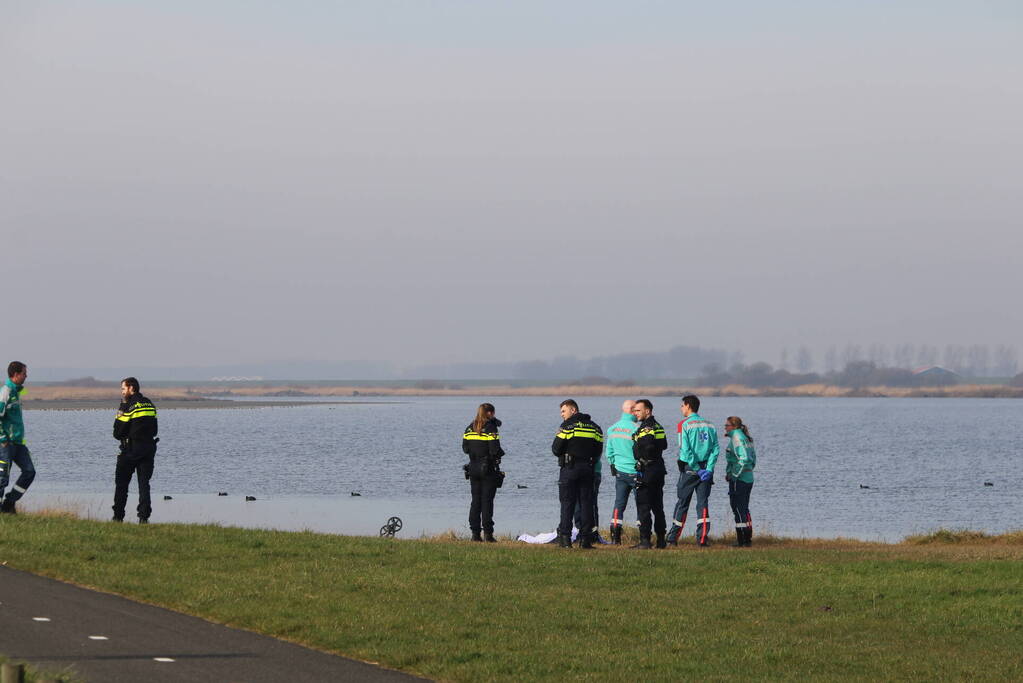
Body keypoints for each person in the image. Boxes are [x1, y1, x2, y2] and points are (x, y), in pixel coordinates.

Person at [666, 394, 720, 547]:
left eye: (682, 405)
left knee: (682, 502)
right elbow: (715, 449)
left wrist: (696, 468)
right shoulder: (710, 425)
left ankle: (672, 539)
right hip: (706, 470)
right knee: (703, 504)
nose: (681, 408)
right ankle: (702, 539)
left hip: (691, 468)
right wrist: (708, 469)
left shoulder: (684, 425)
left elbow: (685, 450)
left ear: (688, 406)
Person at [551, 399, 603, 549]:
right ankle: (585, 540)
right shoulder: (595, 427)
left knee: (567, 503)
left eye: (563, 411)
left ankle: (565, 540)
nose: (562, 415)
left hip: (570, 468)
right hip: (588, 468)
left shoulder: (567, 426)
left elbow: (556, 449)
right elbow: (598, 451)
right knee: (586, 504)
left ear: (573, 410)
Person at [112, 377, 159, 523]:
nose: (122, 392)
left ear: (131, 388)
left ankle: (118, 517)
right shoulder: (149, 404)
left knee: (122, 485)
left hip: (130, 450)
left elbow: (117, 433)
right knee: (144, 485)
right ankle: (143, 518)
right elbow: (155, 429)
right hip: (148, 449)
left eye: (123, 389)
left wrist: (121, 409)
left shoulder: (128, 406)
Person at [461, 402, 505, 542]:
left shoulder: (469, 427)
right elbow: (495, 450)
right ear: (490, 413)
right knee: (487, 502)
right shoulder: (491, 428)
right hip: (488, 469)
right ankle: (488, 534)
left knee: (475, 501)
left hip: (473, 468)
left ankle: (475, 534)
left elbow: (465, 449)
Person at [630, 399, 668, 549]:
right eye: (634, 410)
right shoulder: (658, 426)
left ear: (648, 411)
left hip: (648, 470)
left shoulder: (646, 428)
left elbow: (647, 446)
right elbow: (664, 445)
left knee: (644, 505)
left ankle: (645, 540)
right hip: (659, 468)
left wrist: (642, 458)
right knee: (658, 506)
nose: (635, 413)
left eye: (638, 410)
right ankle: (661, 539)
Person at [0, 361, 33, 514]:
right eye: (24, 373)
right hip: (5, 445)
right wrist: (2, 439)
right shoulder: (5, 392)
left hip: (19, 443)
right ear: (16, 374)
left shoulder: (17, 392)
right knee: (2, 478)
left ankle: (9, 502)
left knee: (29, 472)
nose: (26, 376)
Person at [605, 399, 638, 545]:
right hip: (636, 472)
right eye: (636, 410)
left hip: (620, 472)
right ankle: (644, 536)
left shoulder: (612, 428)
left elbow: (609, 453)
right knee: (642, 504)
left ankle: (615, 538)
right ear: (632, 410)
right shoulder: (637, 428)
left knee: (619, 504)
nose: (638, 412)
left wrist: (614, 465)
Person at [724, 416, 757, 547]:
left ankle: (742, 540)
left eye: (726, 425)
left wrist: (734, 475)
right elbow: (753, 459)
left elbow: (743, 459)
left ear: (734, 426)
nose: (725, 428)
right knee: (744, 508)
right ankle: (747, 539)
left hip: (740, 479)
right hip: (749, 477)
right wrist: (749, 470)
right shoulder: (746, 437)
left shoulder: (737, 438)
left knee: (737, 508)